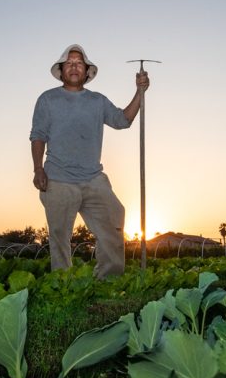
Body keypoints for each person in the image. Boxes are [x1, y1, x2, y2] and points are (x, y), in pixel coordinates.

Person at [29, 44, 149, 279]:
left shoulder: (97, 101)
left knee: (114, 221)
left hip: (93, 178)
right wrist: (37, 169)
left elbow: (123, 120)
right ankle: (63, 286)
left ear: (87, 72)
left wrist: (140, 92)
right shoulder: (47, 99)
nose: (74, 66)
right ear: (62, 70)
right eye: (69, 63)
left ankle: (108, 279)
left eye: (79, 63)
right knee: (60, 237)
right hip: (58, 179)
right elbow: (38, 135)